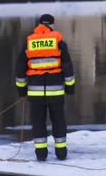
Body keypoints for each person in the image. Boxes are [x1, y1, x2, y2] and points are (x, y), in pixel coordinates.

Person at [15, 14, 76, 161]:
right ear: (52, 25)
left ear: (39, 25)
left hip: (35, 93)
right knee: (58, 121)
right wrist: (70, 88)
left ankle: (41, 154)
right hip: (56, 91)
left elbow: (20, 69)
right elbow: (67, 67)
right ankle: (61, 153)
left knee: (38, 122)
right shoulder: (59, 43)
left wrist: (22, 90)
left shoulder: (28, 43)